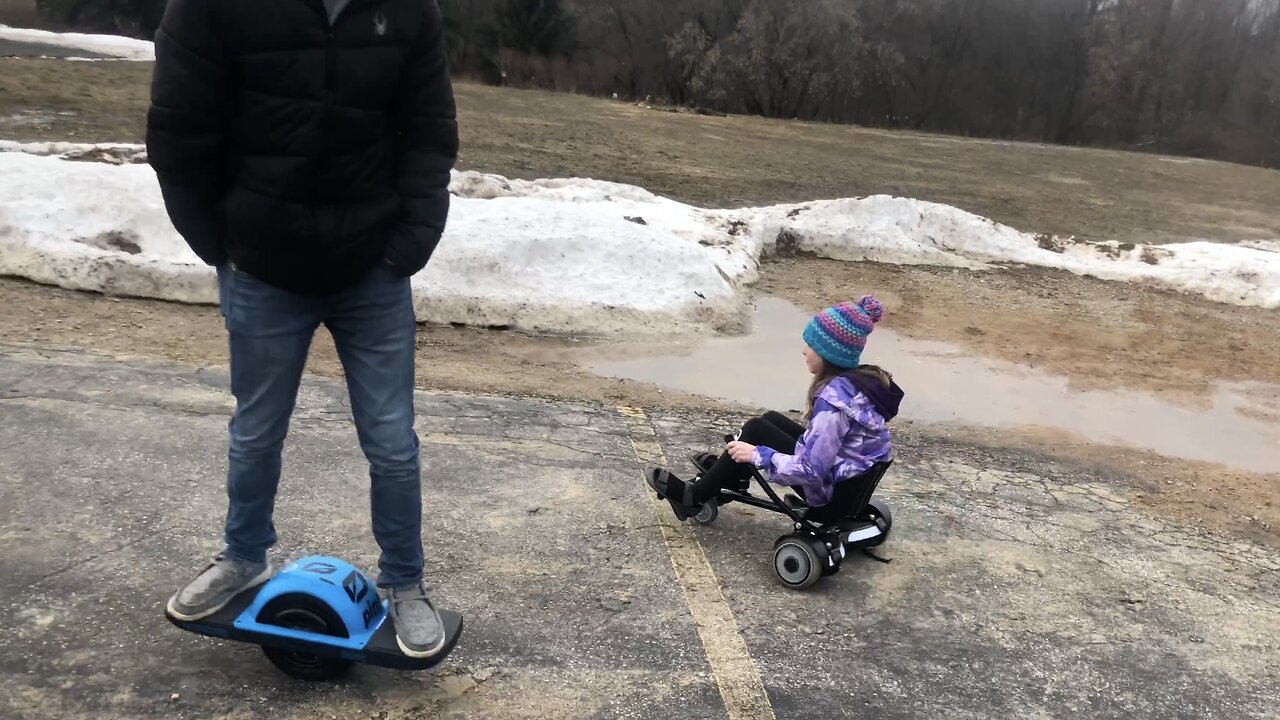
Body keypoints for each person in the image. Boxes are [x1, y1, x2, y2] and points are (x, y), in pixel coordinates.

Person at [146, 0, 459, 658]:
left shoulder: (408, 11)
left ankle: (405, 584)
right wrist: (220, 243)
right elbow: (179, 128)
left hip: (371, 267)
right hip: (263, 264)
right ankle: (242, 557)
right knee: (256, 432)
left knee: (393, 445)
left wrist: (408, 246)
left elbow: (428, 132)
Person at [646, 297, 903, 524]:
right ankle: (730, 473)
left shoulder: (832, 406)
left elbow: (812, 471)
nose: (804, 351)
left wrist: (759, 455)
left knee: (757, 431)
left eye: (811, 346)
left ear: (830, 353)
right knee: (769, 420)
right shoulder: (857, 385)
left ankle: (694, 498)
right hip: (848, 485)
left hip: (829, 498)